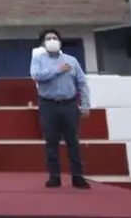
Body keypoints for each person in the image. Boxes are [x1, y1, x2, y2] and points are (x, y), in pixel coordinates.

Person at [30, 29, 91, 189]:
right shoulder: (38, 60)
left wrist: (85, 105)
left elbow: (82, 84)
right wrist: (57, 70)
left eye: (54, 38)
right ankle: (54, 176)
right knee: (51, 141)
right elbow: (36, 76)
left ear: (60, 41)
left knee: (73, 141)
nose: (52, 40)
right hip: (48, 104)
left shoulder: (71, 60)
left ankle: (78, 176)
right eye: (48, 38)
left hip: (69, 105)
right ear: (43, 43)